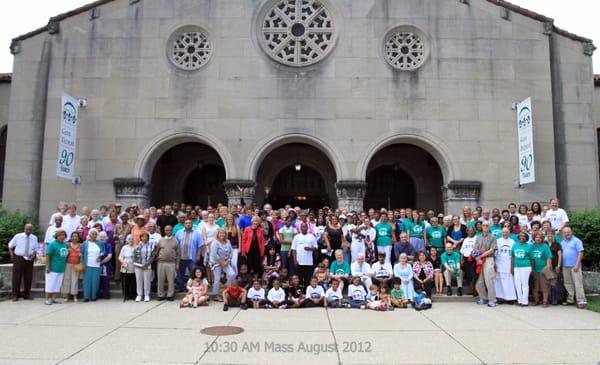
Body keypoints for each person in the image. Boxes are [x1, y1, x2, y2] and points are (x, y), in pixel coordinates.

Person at [8, 224, 38, 301]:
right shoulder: (18, 236)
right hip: (19, 258)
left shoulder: (34, 238)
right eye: (27, 229)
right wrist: (12, 255)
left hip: (29, 259)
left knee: (28, 277)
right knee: (17, 277)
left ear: (32, 230)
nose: (28, 231)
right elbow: (10, 246)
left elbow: (35, 249)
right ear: (24, 229)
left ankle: (26, 294)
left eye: (30, 229)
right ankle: (15, 295)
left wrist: (34, 255)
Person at [560, 227, 586, 308]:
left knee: (578, 283)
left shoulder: (577, 241)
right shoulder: (562, 242)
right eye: (565, 232)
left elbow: (581, 252)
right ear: (563, 233)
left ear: (571, 232)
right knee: (568, 283)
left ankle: (581, 301)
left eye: (568, 232)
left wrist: (577, 264)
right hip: (565, 266)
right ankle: (570, 299)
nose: (567, 234)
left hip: (575, 266)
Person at [175, 220, 204, 292]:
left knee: (193, 273)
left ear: (192, 224)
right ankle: (181, 288)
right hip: (181, 257)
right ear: (184, 224)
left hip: (192, 257)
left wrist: (198, 255)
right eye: (186, 223)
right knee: (180, 273)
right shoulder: (179, 232)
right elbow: (175, 244)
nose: (188, 224)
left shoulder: (196, 233)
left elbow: (200, 245)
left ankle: (194, 288)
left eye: (189, 223)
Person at [474, 221, 498, 307]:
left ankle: (492, 300)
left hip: (488, 259)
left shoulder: (493, 237)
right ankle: (483, 298)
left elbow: (492, 250)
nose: (485, 226)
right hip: (479, 261)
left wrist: (480, 256)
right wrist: (477, 258)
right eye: (483, 225)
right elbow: (475, 249)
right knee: (479, 281)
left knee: (489, 280)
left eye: (487, 225)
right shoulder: (478, 237)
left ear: (489, 227)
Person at [44, 229, 69, 305]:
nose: (62, 237)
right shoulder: (52, 244)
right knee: (50, 284)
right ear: (56, 236)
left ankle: (53, 299)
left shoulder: (64, 244)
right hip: (52, 268)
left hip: (61, 268)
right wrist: (48, 267)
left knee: (57, 285)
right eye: (60, 235)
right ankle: (47, 299)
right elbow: (48, 256)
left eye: (63, 235)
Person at [155, 225, 179, 301]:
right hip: (161, 262)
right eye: (166, 230)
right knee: (160, 279)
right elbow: (157, 251)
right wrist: (157, 259)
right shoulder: (161, 240)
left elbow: (178, 254)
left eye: (169, 230)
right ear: (164, 231)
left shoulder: (175, 240)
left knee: (171, 280)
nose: (168, 231)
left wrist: (177, 264)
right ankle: (160, 295)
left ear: (172, 231)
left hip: (171, 263)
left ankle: (170, 295)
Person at [290, 222, 318, 287]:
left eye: (305, 227)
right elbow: (293, 249)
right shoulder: (297, 237)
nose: (304, 228)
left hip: (309, 262)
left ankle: (306, 293)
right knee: (299, 278)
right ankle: (300, 293)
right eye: (302, 227)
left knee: (307, 279)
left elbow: (316, 248)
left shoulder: (311, 236)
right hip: (299, 261)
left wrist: (310, 248)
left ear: (307, 228)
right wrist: (295, 260)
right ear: (300, 228)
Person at [210, 229, 235, 297]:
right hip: (216, 262)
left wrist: (228, 260)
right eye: (220, 233)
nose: (222, 235)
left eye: (223, 233)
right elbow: (214, 254)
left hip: (226, 262)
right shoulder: (215, 242)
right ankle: (215, 294)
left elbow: (231, 252)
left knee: (232, 274)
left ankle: (227, 289)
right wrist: (222, 262)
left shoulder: (228, 241)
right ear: (218, 234)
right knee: (217, 279)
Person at [82, 229, 105, 302]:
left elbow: (103, 252)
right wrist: (83, 264)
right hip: (87, 264)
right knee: (87, 281)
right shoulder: (85, 243)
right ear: (89, 234)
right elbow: (81, 254)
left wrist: (100, 256)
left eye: (95, 234)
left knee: (95, 281)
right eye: (93, 234)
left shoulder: (100, 243)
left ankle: (94, 296)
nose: (94, 235)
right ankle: (86, 297)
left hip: (97, 265)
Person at [530, 232, 553, 307]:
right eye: (536, 237)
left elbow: (549, 257)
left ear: (542, 238)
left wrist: (548, 267)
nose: (538, 239)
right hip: (534, 270)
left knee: (544, 287)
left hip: (543, 270)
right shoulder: (532, 246)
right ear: (534, 238)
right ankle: (536, 301)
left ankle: (545, 302)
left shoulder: (545, 246)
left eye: (540, 237)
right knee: (535, 287)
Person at [494, 228, 517, 303]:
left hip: (509, 264)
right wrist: (494, 264)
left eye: (506, 232)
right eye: (503, 232)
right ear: (501, 233)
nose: (505, 234)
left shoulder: (512, 242)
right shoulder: (497, 241)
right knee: (499, 282)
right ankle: (500, 298)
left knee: (509, 282)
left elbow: (513, 255)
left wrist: (512, 266)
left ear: (509, 233)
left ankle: (510, 298)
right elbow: (494, 254)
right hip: (499, 263)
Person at [133, 232, 156, 302]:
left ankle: (146, 295)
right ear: (140, 238)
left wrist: (146, 264)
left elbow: (152, 257)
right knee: (139, 281)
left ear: (148, 238)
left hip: (147, 266)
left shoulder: (151, 246)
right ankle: (139, 295)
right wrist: (140, 265)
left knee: (147, 281)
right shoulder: (137, 246)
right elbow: (135, 257)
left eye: (146, 236)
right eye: (143, 237)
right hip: (138, 266)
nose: (144, 238)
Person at [512, 232, 532, 306]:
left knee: (525, 284)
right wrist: (512, 267)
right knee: (517, 284)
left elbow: (532, 258)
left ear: (526, 238)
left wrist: (531, 268)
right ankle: (519, 300)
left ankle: (525, 301)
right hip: (516, 267)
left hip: (526, 266)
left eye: (523, 236)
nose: (522, 237)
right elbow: (512, 257)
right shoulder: (515, 245)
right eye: (520, 236)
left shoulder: (529, 246)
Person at [61, 232, 82, 302]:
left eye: (76, 236)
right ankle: (66, 296)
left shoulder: (80, 245)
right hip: (67, 264)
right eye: (73, 236)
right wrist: (67, 253)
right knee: (66, 280)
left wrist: (80, 256)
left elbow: (82, 256)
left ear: (78, 238)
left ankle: (74, 296)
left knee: (75, 280)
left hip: (76, 265)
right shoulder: (67, 245)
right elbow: (63, 256)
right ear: (71, 237)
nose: (74, 238)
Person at [118, 234, 137, 301]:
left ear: (134, 240)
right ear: (127, 240)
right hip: (125, 266)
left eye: (132, 239)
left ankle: (133, 295)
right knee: (125, 282)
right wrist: (123, 262)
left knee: (133, 282)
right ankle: (126, 295)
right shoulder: (124, 247)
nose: (131, 240)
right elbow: (120, 257)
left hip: (133, 266)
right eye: (129, 239)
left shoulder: (136, 247)